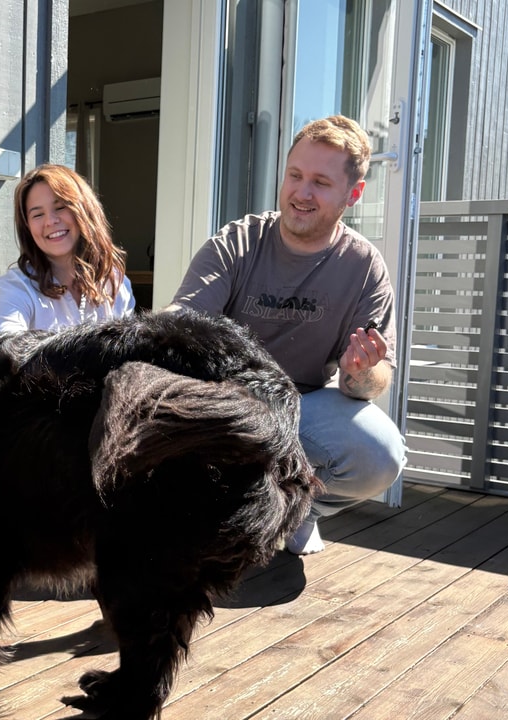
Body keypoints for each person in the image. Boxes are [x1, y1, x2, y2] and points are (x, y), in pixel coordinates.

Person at [167, 114, 407, 555]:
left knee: (380, 453)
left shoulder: (364, 267)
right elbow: (182, 322)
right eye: (295, 175)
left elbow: (370, 385)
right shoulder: (237, 242)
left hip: (302, 412)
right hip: (225, 407)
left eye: (320, 182)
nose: (301, 192)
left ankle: (299, 511)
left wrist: (360, 371)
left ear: (353, 194)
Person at [0, 164, 135, 332]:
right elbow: (3, 345)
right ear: (27, 227)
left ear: (86, 211)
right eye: (37, 214)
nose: (50, 221)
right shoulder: (15, 289)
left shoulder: (116, 284)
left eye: (60, 208)